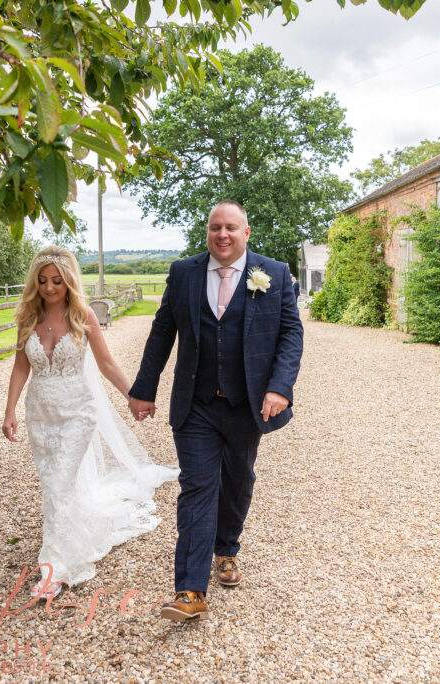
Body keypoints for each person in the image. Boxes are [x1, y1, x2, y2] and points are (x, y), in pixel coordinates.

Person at [127, 200, 303, 621]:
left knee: (239, 481)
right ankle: (189, 591)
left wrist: (280, 387)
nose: (222, 235)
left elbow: (291, 335)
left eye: (231, 228)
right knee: (196, 488)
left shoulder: (273, 274)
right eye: (215, 228)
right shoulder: (184, 272)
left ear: (246, 233)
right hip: (196, 405)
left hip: (247, 405)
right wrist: (143, 389)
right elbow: (162, 332)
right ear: (207, 232)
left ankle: (226, 549)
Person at [2, 246, 179, 599]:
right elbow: (21, 367)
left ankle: (55, 569)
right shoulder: (27, 318)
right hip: (40, 414)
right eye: (42, 281)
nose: (50, 287)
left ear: (68, 281)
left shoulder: (83, 316)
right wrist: (9, 411)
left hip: (77, 413)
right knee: (54, 484)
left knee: (59, 486)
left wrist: (134, 395)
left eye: (56, 281)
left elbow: (107, 364)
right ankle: (69, 538)